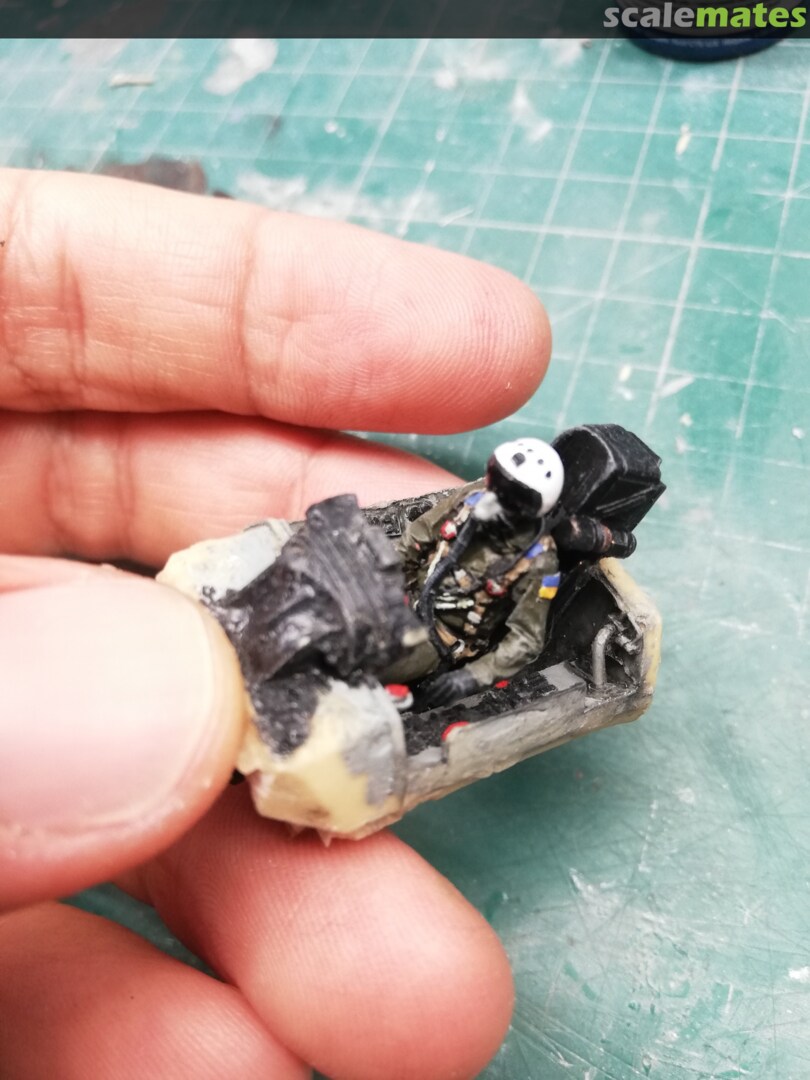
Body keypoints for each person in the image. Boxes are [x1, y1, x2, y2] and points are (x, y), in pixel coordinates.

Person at [0, 168, 551, 1079]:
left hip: (434, 638)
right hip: (338, 642)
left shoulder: (524, 563)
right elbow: (436, 548)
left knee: (431, 660)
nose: (498, 497)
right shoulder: (472, 520)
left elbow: (501, 622)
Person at [385, 438, 565, 708]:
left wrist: (471, 677)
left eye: (511, 496)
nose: (495, 495)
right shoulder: (471, 500)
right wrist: (383, 576)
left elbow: (527, 639)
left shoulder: (538, 560)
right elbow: (416, 538)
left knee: (375, 662)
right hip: (410, 592)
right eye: (496, 480)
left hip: (441, 635)